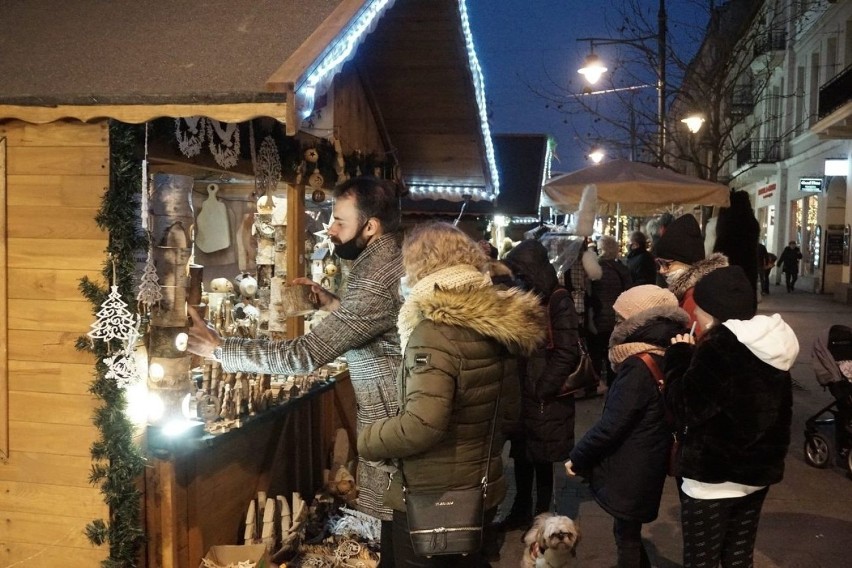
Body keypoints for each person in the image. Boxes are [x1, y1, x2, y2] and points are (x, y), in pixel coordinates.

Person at [186, 176, 405, 562]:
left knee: (388, 543)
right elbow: (379, 326)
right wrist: (333, 305)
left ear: (370, 227)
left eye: (339, 221)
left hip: (391, 427)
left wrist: (221, 349)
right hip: (390, 421)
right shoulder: (384, 259)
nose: (331, 230)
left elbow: (303, 356)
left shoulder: (375, 275)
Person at [357, 222, 543, 568]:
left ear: (420, 266)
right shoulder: (495, 322)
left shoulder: (434, 332)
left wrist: (368, 440)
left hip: (432, 494)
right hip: (480, 488)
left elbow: (421, 426)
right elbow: (510, 413)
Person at [664, 266, 796, 568]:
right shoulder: (773, 344)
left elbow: (684, 407)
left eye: (698, 306)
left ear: (713, 309)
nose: (694, 312)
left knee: (702, 561)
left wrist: (679, 357)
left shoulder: (720, 348)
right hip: (756, 475)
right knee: (738, 559)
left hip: (712, 479)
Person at [565, 285, 689, 568]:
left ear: (638, 322)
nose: (616, 324)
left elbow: (613, 424)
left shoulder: (637, 364)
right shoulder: (667, 352)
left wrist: (578, 455)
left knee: (626, 534)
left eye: (622, 319)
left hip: (633, 463)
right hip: (649, 456)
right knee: (627, 530)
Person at [500, 239, 580, 530]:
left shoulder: (558, 299)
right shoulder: (525, 296)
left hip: (544, 396)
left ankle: (541, 518)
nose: (517, 279)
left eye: (521, 273)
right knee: (522, 455)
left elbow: (567, 350)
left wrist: (543, 387)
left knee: (543, 459)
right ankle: (520, 511)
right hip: (523, 393)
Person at [653, 214, 727, 336]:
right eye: (659, 263)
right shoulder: (693, 291)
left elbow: (695, 344)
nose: (661, 270)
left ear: (686, 262)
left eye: (666, 264)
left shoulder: (693, 298)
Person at [588, 235, 632, 385]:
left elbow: (590, 293)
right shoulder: (623, 269)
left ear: (601, 249)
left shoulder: (594, 269)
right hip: (617, 317)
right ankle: (612, 382)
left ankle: (594, 383)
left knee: (595, 352)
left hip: (598, 317)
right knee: (612, 352)